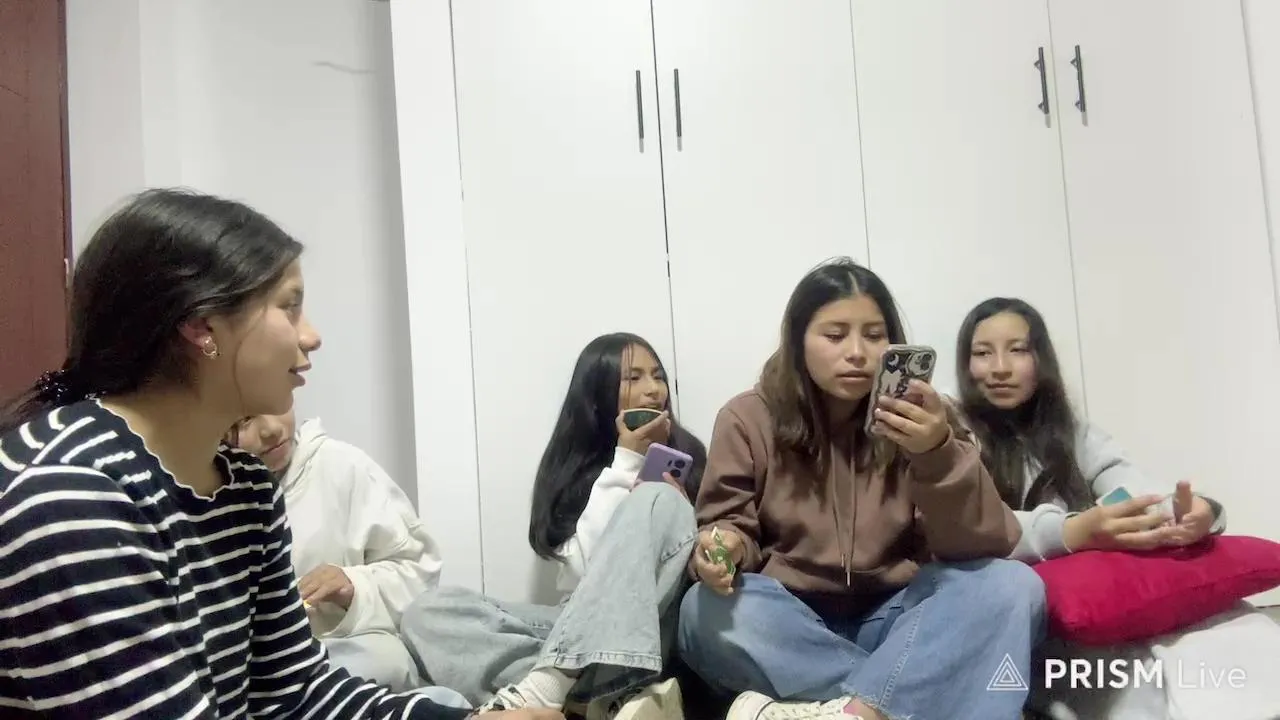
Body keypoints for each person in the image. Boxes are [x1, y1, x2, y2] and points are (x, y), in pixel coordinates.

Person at [0, 188, 551, 720]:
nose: (311, 337)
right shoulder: (71, 495)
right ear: (201, 326)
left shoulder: (243, 486)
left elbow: (294, 693)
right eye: (289, 308)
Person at [677, 257, 1046, 720]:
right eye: (835, 336)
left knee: (1014, 585)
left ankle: (852, 712)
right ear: (798, 341)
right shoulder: (747, 418)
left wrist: (936, 453)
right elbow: (730, 524)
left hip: (896, 619)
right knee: (702, 612)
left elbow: (979, 547)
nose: (856, 352)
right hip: (789, 624)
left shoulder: (927, 417)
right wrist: (725, 546)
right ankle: (901, 697)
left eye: (874, 336)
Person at [954, 296, 1262, 720]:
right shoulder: (952, 433)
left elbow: (1132, 486)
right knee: (1134, 685)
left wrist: (1198, 511)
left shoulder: (1070, 432)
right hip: (1020, 612)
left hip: (1096, 595)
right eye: (983, 353)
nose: (1000, 367)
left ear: (1041, 359)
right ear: (965, 364)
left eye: (1018, 350)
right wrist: (1076, 529)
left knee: (1229, 636)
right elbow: (976, 525)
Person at [401, 332, 703, 719]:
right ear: (599, 391)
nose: (653, 389)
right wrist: (625, 462)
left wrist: (675, 508)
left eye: (658, 376)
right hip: (574, 622)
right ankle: (596, 700)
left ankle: (548, 688)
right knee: (427, 612)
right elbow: (586, 570)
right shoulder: (572, 467)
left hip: (656, 623)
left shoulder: (690, 455)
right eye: (634, 378)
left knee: (658, 498)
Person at [228, 410, 456, 699]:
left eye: (275, 405)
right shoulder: (206, 500)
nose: (271, 429)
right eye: (245, 419)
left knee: (388, 663)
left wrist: (353, 585)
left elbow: (419, 574)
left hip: (344, 652)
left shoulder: (344, 468)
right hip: (252, 676)